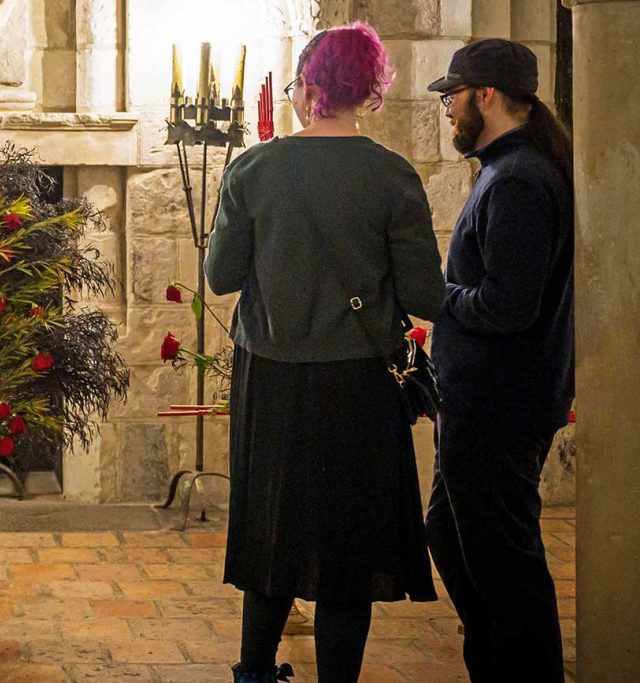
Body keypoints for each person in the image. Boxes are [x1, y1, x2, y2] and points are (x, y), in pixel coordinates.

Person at [205, 23, 445, 683]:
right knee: (350, 542)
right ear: (369, 91)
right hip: (361, 383)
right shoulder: (394, 176)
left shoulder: (253, 169)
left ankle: (255, 672)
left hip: (272, 376)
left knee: (271, 526)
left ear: (308, 87)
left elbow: (221, 277)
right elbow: (427, 292)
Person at [424, 39, 574, 682]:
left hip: (498, 404)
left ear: (484, 94)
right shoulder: (509, 168)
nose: (448, 110)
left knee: (505, 565)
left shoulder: (517, 180)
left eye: (453, 96)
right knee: (453, 539)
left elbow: (509, 307)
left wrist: (437, 298)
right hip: (482, 398)